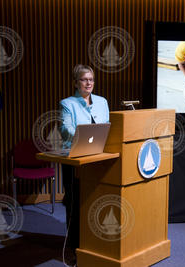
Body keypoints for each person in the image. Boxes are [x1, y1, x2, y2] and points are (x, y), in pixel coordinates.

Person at [59, 64, 109, 266]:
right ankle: (73, 247)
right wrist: (84, 136)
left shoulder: (102, 101)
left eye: (91, 79)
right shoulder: (67, 103)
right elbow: (66, 130)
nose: (89, 83)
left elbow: (107, 126)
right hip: (75, 159)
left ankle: (94, 245)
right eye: (84, 79)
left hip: (98, 159)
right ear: (75, 83)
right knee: (74, 203)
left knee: (95, 200)